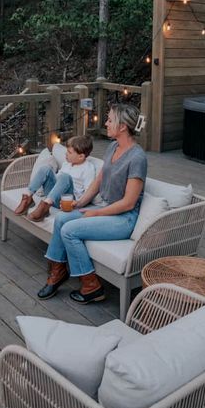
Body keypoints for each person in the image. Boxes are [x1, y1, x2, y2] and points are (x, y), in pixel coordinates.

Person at [37, 103, 147, 304]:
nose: (106, 123)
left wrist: (96, 213)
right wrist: (81, 203)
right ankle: (57, 271)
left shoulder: (137, 157)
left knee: (69, 231)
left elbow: (129, 203)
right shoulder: (113, 147)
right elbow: (99, 180)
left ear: (123, 127)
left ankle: (91, 286)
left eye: (110, 119)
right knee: (62, 218)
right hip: (105, 209)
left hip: (123, 219)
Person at [13, 134, 96, 222]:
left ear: (81, 156)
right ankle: (28, 197)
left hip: (68, 201)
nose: (66, 153)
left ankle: (45, 206)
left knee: (65, 177)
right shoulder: (67, 163)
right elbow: (57, 179)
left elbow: (89, 191)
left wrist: (77, 203)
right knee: (46, 168)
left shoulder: (88, 168)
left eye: (69, 152)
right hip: (54, 196)